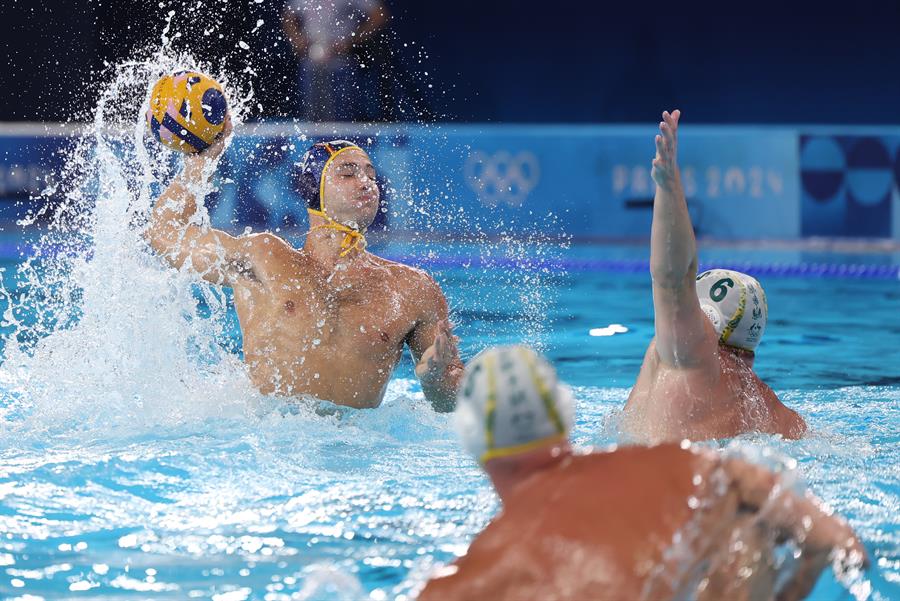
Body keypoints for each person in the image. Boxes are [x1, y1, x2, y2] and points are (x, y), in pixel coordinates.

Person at [420, 345, 867, 601]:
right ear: (565, 416)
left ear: (473, 444)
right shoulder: (680, 465)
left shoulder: (468, 582)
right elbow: (838, 541)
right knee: (749, 535)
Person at [145, 118, 463, 410]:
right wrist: (200, 165)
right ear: (313, 187)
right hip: (270, 439)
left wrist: (435, 380)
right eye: (348, 174)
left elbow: (451, 403)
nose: (366, 182)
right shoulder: (265, 259)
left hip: (358, 445)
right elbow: (165, 234)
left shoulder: (412, 288)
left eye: (371, 175)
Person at [622, 109, 806, 443]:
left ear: (705, 320)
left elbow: (673, 278)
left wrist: (668, 186)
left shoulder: (690, 353)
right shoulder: (772, 410)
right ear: (750, 352)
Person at [282, 0, 389, 122]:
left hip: (342, 63)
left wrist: (351, 41)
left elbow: (379, 15)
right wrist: (297, 40)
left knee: (342, 118)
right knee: (311, 117)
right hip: (311, 61)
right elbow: (288, 16)